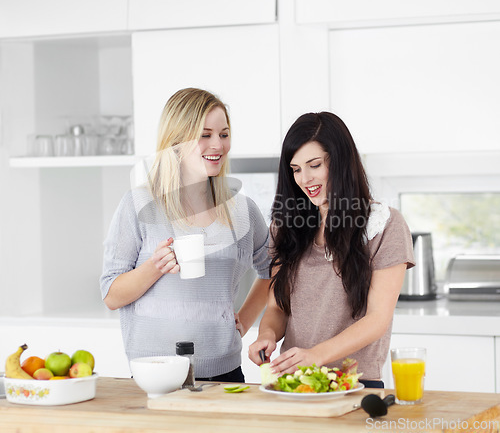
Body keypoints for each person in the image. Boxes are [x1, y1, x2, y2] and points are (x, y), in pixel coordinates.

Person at [100, 88, 271, 382]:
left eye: (224, 134)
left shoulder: (241, 210)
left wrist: (244, 320)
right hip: (154, 374)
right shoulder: (139, 205)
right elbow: (111, 295)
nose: (218, 144)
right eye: (204, 135)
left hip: (224, 371)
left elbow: (275, 269)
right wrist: (154, 268)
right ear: (176, 142)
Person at [248, 112, 415, 388]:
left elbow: (377, 319)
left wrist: (316, 355)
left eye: (314, 165)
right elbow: (277, 307)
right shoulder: (285, 227)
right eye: (296, 169)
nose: (305, 179)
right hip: (295, 384)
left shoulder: (384, 225)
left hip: (355, 385)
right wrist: (266, 334)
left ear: (341, 161)